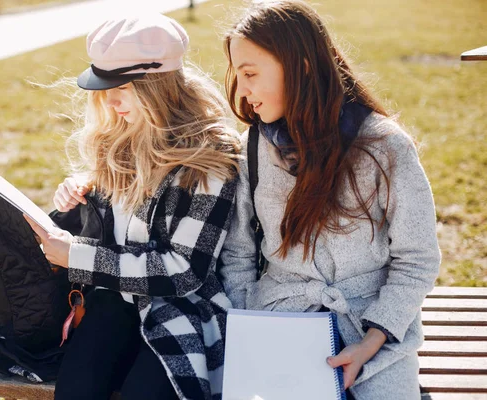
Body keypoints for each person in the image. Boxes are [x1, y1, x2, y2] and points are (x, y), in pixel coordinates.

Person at [218, 1, 441, 399]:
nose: (243, 90)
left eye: (250, 73)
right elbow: (238, 252)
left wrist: (373, 341)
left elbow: (418, 257)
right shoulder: (253, 145)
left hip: (374, 334)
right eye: (238, 74)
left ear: (301, 65)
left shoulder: (385, 146)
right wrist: (248, 330)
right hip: (279, 323)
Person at [25, 13, 240, 400]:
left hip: (182, 309)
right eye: (104, 88)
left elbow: (183, 270)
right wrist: (83, 194)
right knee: (76, 388)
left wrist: (77, 255)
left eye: (121, 87)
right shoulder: (120, 135)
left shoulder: (212, 155)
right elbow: (121, 225)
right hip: (113, 297)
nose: (110, 100)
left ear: (157, 86)